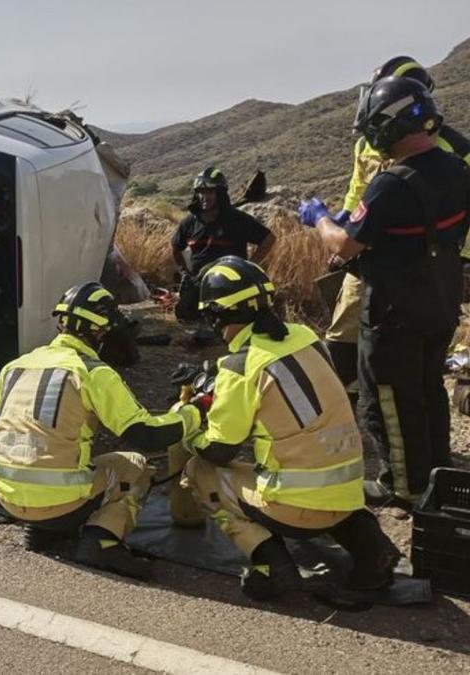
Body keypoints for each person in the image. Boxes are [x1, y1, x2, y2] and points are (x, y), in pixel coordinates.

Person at [180, 256, 400, 601]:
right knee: (314, 468)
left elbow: (221, 450)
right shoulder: (305, 337)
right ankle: (374, 552)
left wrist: (189, 426)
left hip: (296, 510)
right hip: (348, 493)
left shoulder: (240, 367)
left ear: (215, 315)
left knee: (201, 470)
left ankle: (271, 565)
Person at [301, 76, 469, 504]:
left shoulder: (390, 185)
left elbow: (345, 244)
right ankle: (437, 475)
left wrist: (319, 218)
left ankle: (405, 488)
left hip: (395, 310)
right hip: (442, 298)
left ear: (387, 127)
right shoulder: (458, 169)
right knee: (429, 385)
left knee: (391, 399)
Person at [0, 282, 203, 579]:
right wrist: (191, 414)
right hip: (59, 501)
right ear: (100, 332)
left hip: (7, 498)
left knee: (64, 458)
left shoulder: (18, 365)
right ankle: (103, 541)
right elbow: (146, 435)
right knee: (135, 465)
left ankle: (44, 530)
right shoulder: (94, 372)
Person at [323, 56, 470, 391]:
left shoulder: (454, 149)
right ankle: (346, 397)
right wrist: (344, 230)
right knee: (346, 322)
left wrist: (463, 258)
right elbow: (356, 191)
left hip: (424, 260)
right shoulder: (367, 142)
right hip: (367, 250)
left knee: (411, 340)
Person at [171, 166, 276, 322]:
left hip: (232, 287)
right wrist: (184, 272)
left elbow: (268, 239)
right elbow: (176, 247)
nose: (203, 196)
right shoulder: (190, 222)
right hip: (200, 284)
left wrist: (249, 266)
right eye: (200, 191)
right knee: (186, 315)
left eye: (209, 192)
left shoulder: (237, 219)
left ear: (220, 193)